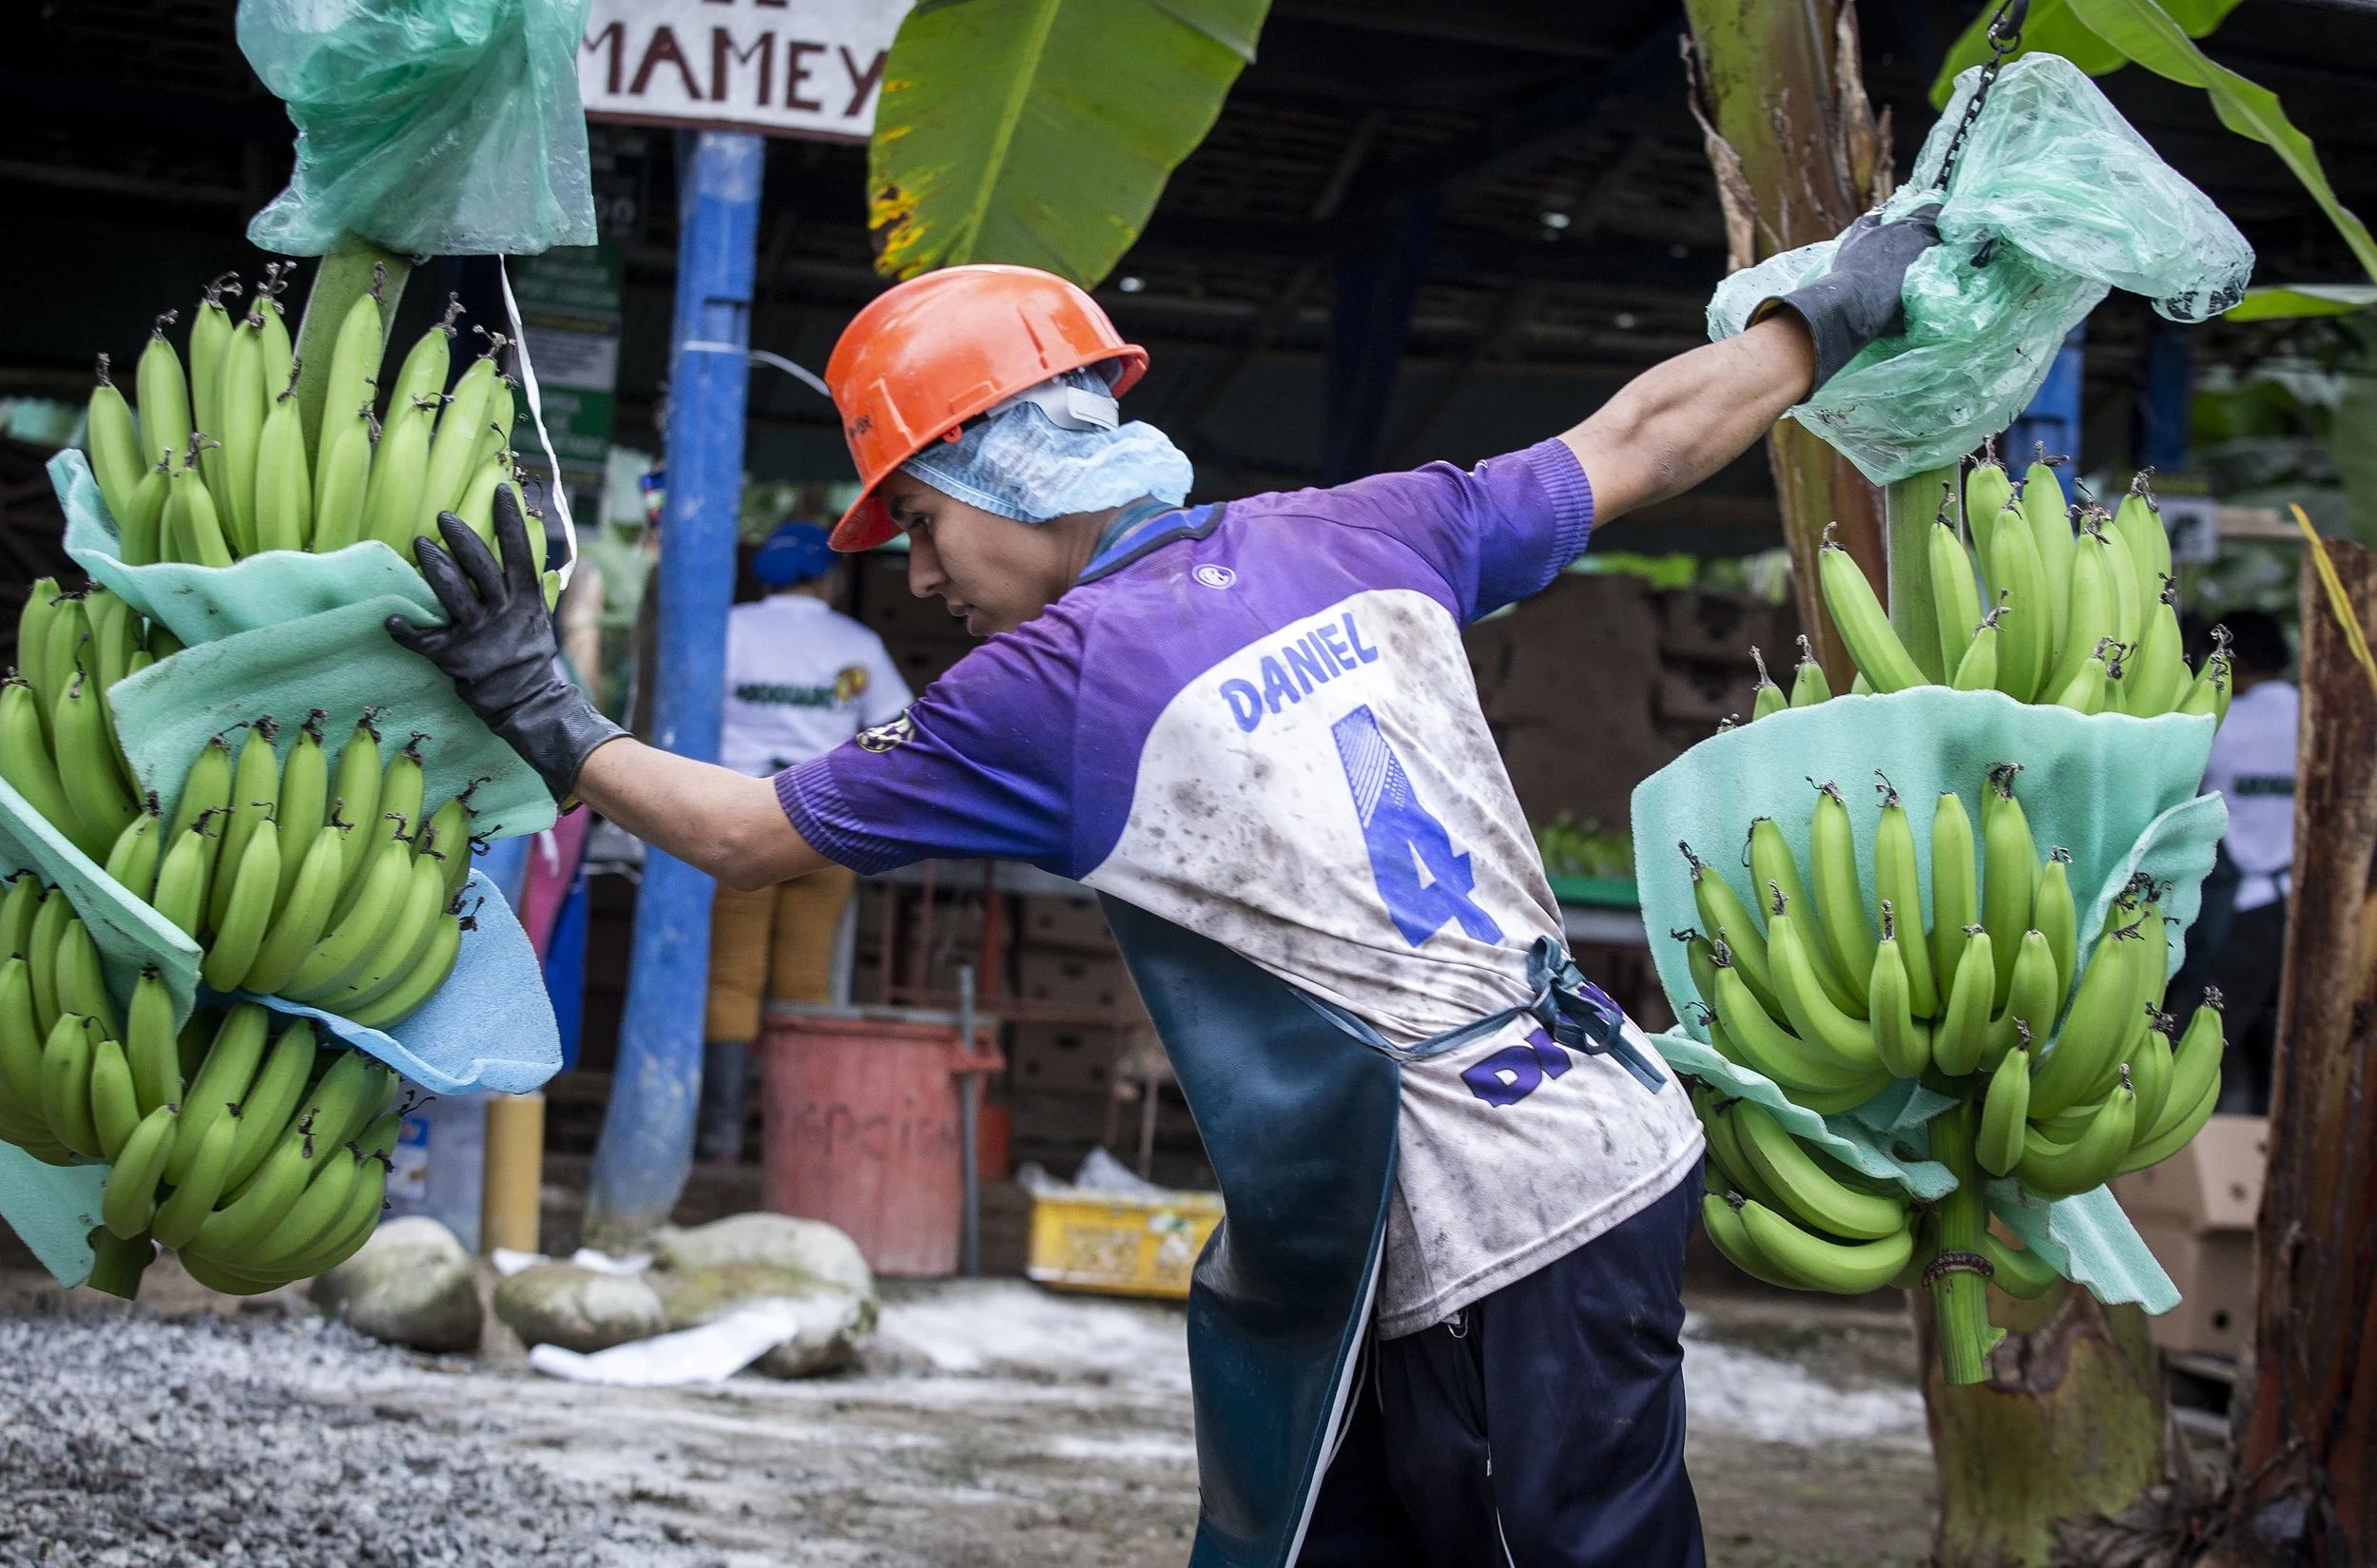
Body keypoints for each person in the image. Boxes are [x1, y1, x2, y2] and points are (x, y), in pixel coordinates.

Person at [391, 208, 1941, 1568]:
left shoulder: (1049, 688)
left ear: (999, 466)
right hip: (1585, 1133)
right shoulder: (1364, 526)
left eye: (921, 523)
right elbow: (1647, 438)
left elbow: (740, 832)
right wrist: (1826, 315)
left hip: (1493, 1214)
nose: (921, 577)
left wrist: (556, 716)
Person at [695, 521, 913, 1162]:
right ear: (827, 576)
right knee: (805, 980)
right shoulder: (858, 643)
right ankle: (793, 1135)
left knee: (731, 977)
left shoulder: (727, 629)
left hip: (735, 819)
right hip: (826, 822)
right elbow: (899, 729)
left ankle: (720, 1137)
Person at [2169, 610, 2295, 1113]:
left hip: (2240, 909)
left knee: (2201, 1048)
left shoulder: (2218, 723)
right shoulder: (2323, 716)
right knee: (2283, 1054)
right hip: (2307, 904)